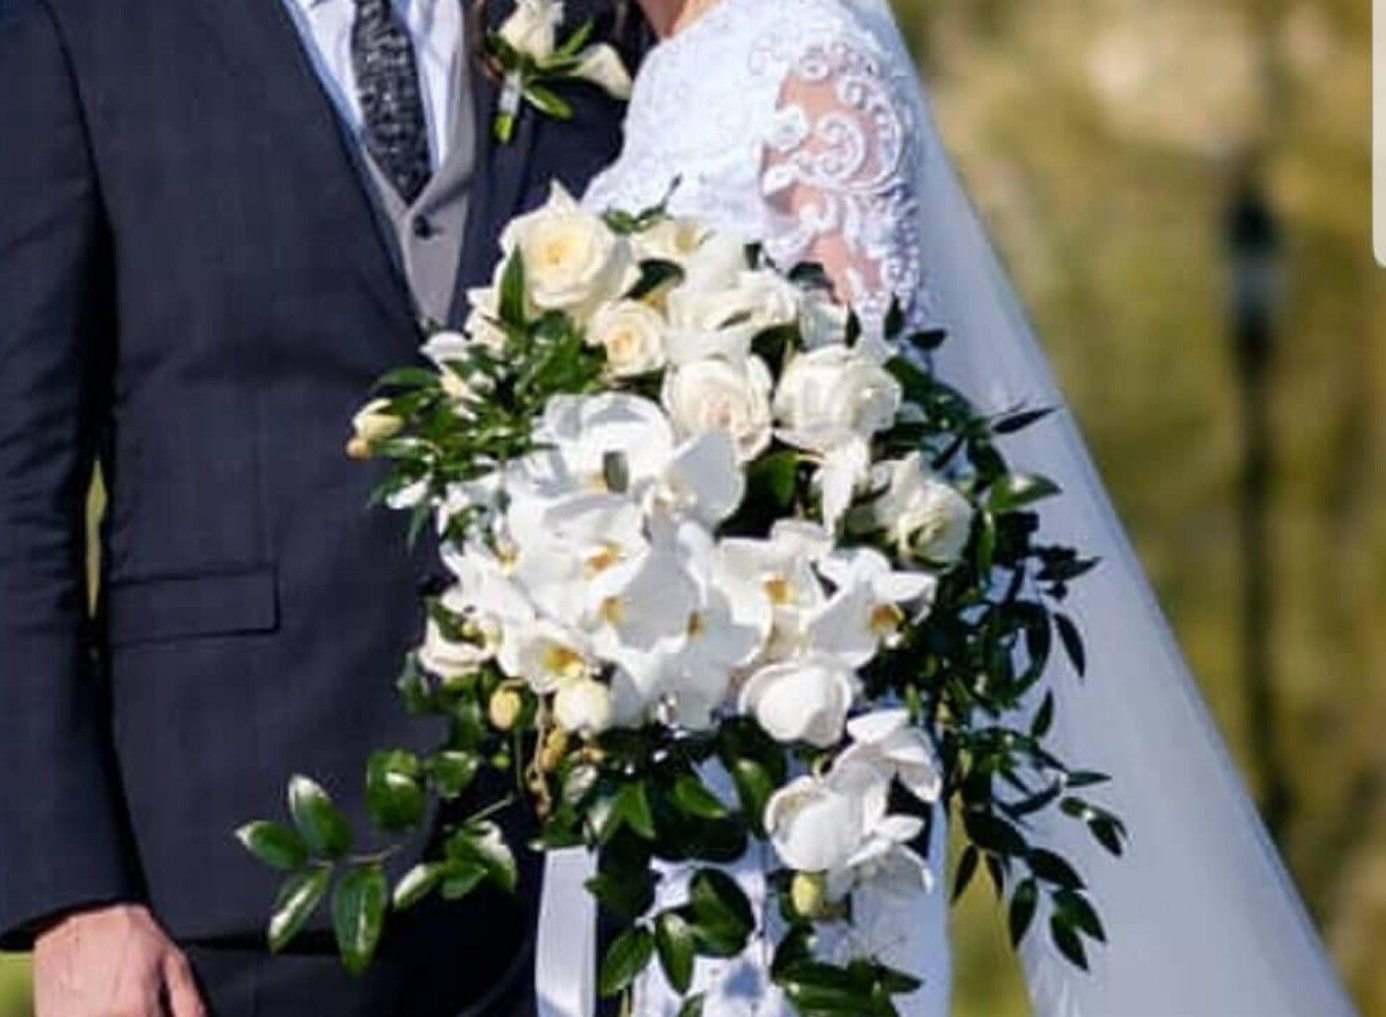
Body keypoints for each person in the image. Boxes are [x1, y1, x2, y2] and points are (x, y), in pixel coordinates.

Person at [526, 0, 1366, 1014]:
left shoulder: (809, 55)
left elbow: (869, 431)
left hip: (789, 756)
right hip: (660, 726)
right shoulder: (660, 68)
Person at [0, 1, 635, 1014]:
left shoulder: (594, 17)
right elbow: (5, 485)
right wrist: (73, 899)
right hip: (237, 881)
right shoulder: (78, 25)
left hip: (572, 861)